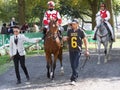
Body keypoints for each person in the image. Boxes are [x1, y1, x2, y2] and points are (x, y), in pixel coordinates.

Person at [63, 19, 89, 85]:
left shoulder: (81, 31)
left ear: (77, 24)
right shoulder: (69, 31)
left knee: (75, 64)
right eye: (72, 24)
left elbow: (85, 41)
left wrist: (87, 50)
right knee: (72, 65)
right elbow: (68, 38)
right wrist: (65, 39)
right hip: (71, 50)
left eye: (74, 24)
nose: (73, 25)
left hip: (78, 50)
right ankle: (75, 75)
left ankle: (73, 78)